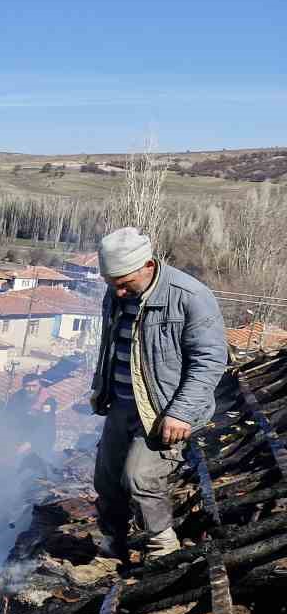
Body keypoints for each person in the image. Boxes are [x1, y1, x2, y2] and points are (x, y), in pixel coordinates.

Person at [89, 226, 227, 563]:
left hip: (163, 408)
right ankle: (111, 549)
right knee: (107, 480)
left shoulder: (189, 296)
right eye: (112, 284)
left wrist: (181, 412)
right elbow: (112, 345)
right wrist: (101, 386)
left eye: (123, 283)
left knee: (141, 477)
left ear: (148, 265)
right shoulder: (118, 292)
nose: (118, 292)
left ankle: (162, 549)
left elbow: (209, 361)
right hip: (122, 402)